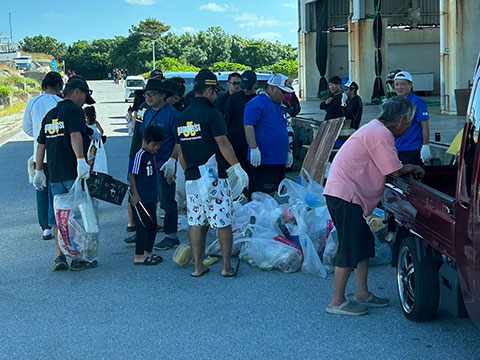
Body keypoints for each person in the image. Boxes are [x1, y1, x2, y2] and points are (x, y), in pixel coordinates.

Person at [323, 97, 425, 316]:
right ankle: (336, 301)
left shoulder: (375, 128)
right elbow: (394, 170)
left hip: (346, 195)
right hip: (345, 195)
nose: (408, 128)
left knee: (363, 242)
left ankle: (362, 294)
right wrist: (411, 167)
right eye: (410, 123)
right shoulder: (380, 134)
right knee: (349, 246)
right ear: (403, 119)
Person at [174, 70, 248, 277]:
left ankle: (198, 267)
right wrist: (236, 167)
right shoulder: (212, 114)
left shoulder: (182, 117)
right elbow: (222, 142)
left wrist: (184, 170)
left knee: (197, 221)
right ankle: (226, 267)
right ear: (207, 90)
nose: (215, 95)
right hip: (214, 177)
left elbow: (180, 150)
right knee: (222, 221)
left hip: (193, 178)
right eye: (214, 91)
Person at [33, 76, 100, 272]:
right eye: (84, 97)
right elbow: (75, 135)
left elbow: (41, 144)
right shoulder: (74, 111)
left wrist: (39, 170)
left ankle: (60, 255)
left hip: (54, 174)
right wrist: (81, 161)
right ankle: (78, 259)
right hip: (73, 174)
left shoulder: (50, 115)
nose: (83, 103)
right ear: (77, 92)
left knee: (59, 216)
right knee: (78, 216)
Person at [137, 79, 180, 251]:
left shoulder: (172, 114)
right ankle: (147, 230)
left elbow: (179, 140)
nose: (148, 98)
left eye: (152, 94)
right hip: (148, 164)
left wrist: (172, 160)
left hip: (165, 164)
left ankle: (172, 235)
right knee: (147, 199)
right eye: (146, 95)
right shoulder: (147, 113)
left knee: (167, 200)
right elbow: (143, 138)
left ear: (162, 95)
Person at [23, 71, 64, 241]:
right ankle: (58, 222)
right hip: (59, 154)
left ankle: (45, 227)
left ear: (43, 86)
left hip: (39, 154)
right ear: (59, 86)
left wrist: (39, 137)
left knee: (41, 189)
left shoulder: (33, 102)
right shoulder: (61, 103)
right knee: (58, 189)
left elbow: (27, 128)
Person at [124, 69, 164, 236]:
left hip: (141, 149)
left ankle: (138, 222)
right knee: (138, 187)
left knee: (141, 187)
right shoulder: (146, 108)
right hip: (141, 150)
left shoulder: (142, 106)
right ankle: (136, 222)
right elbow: (145, 133)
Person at [244, 73, 293, 196]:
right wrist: (254, 148)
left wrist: (288, 151)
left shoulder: (279, 107)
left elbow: (284, 129)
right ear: (272, 88)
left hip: (278, 159)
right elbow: (249, 126)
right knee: (263, 194)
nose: (284, 95)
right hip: (265, 160)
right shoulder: (258, 103)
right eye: (282, 92)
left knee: (274, 192)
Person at [129, 125, 164, 265]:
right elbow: (131, 175)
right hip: (141, 198)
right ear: (145, 141)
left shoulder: (153, 155)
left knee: (152, 225)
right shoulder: (140, 155)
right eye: (153, 145)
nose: (156, 148)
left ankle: (148, 253)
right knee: (143, 227)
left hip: (151, 198)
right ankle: (138, 255)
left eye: (158, 145)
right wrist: (135, 195)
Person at [224, 70, 258, 194]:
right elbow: (227, 118)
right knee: (236, 175)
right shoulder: (234, 98)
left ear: (256, 84)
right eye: (243, 87)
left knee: (253, 175)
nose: (245, 91)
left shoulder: (259, 99)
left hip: (253, 143)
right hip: (236, 142)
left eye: (248, 88)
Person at [393, 71, 431, 165]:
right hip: (397, 148)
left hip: (412, 149)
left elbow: (425, 125)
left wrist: (425, 145)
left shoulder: (417, 102)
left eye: (403, 84)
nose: (399, 87)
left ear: (410, 85)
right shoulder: (394, 102)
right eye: (396, 84)